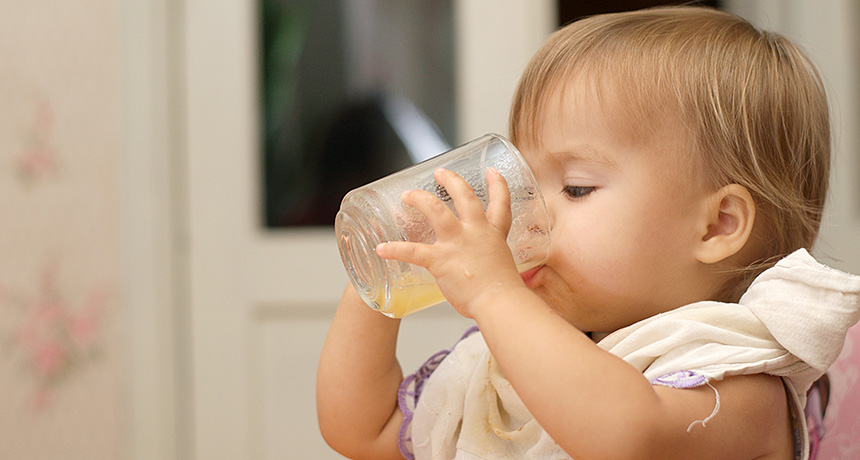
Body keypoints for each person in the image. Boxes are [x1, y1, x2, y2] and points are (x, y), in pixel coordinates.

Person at [316, 6, 860, 460]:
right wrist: (382, 276)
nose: (528, 210)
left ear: (717, 226)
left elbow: (625, 434)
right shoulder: (522, 356)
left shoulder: (740, 384)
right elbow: (364, 432)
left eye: (575, 188)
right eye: (525, 179)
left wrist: (494, 294)